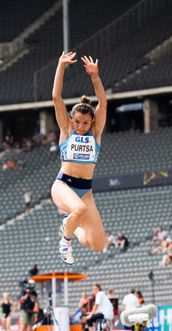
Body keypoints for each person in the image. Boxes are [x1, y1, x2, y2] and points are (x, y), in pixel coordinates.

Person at [51, 52, 108, 265]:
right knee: (80, 210)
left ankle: (74, 229)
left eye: (85, 123)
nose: (80, 127)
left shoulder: (96, 134)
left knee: (98, 244)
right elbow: (57, 97)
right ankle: (65, 241)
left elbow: (102, 101)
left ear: (92, 121)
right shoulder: (66, 130)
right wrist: (61, 66)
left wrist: (95, 77)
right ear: (71, 120)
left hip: (85, 192)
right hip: (63, 186)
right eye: (77, 122)